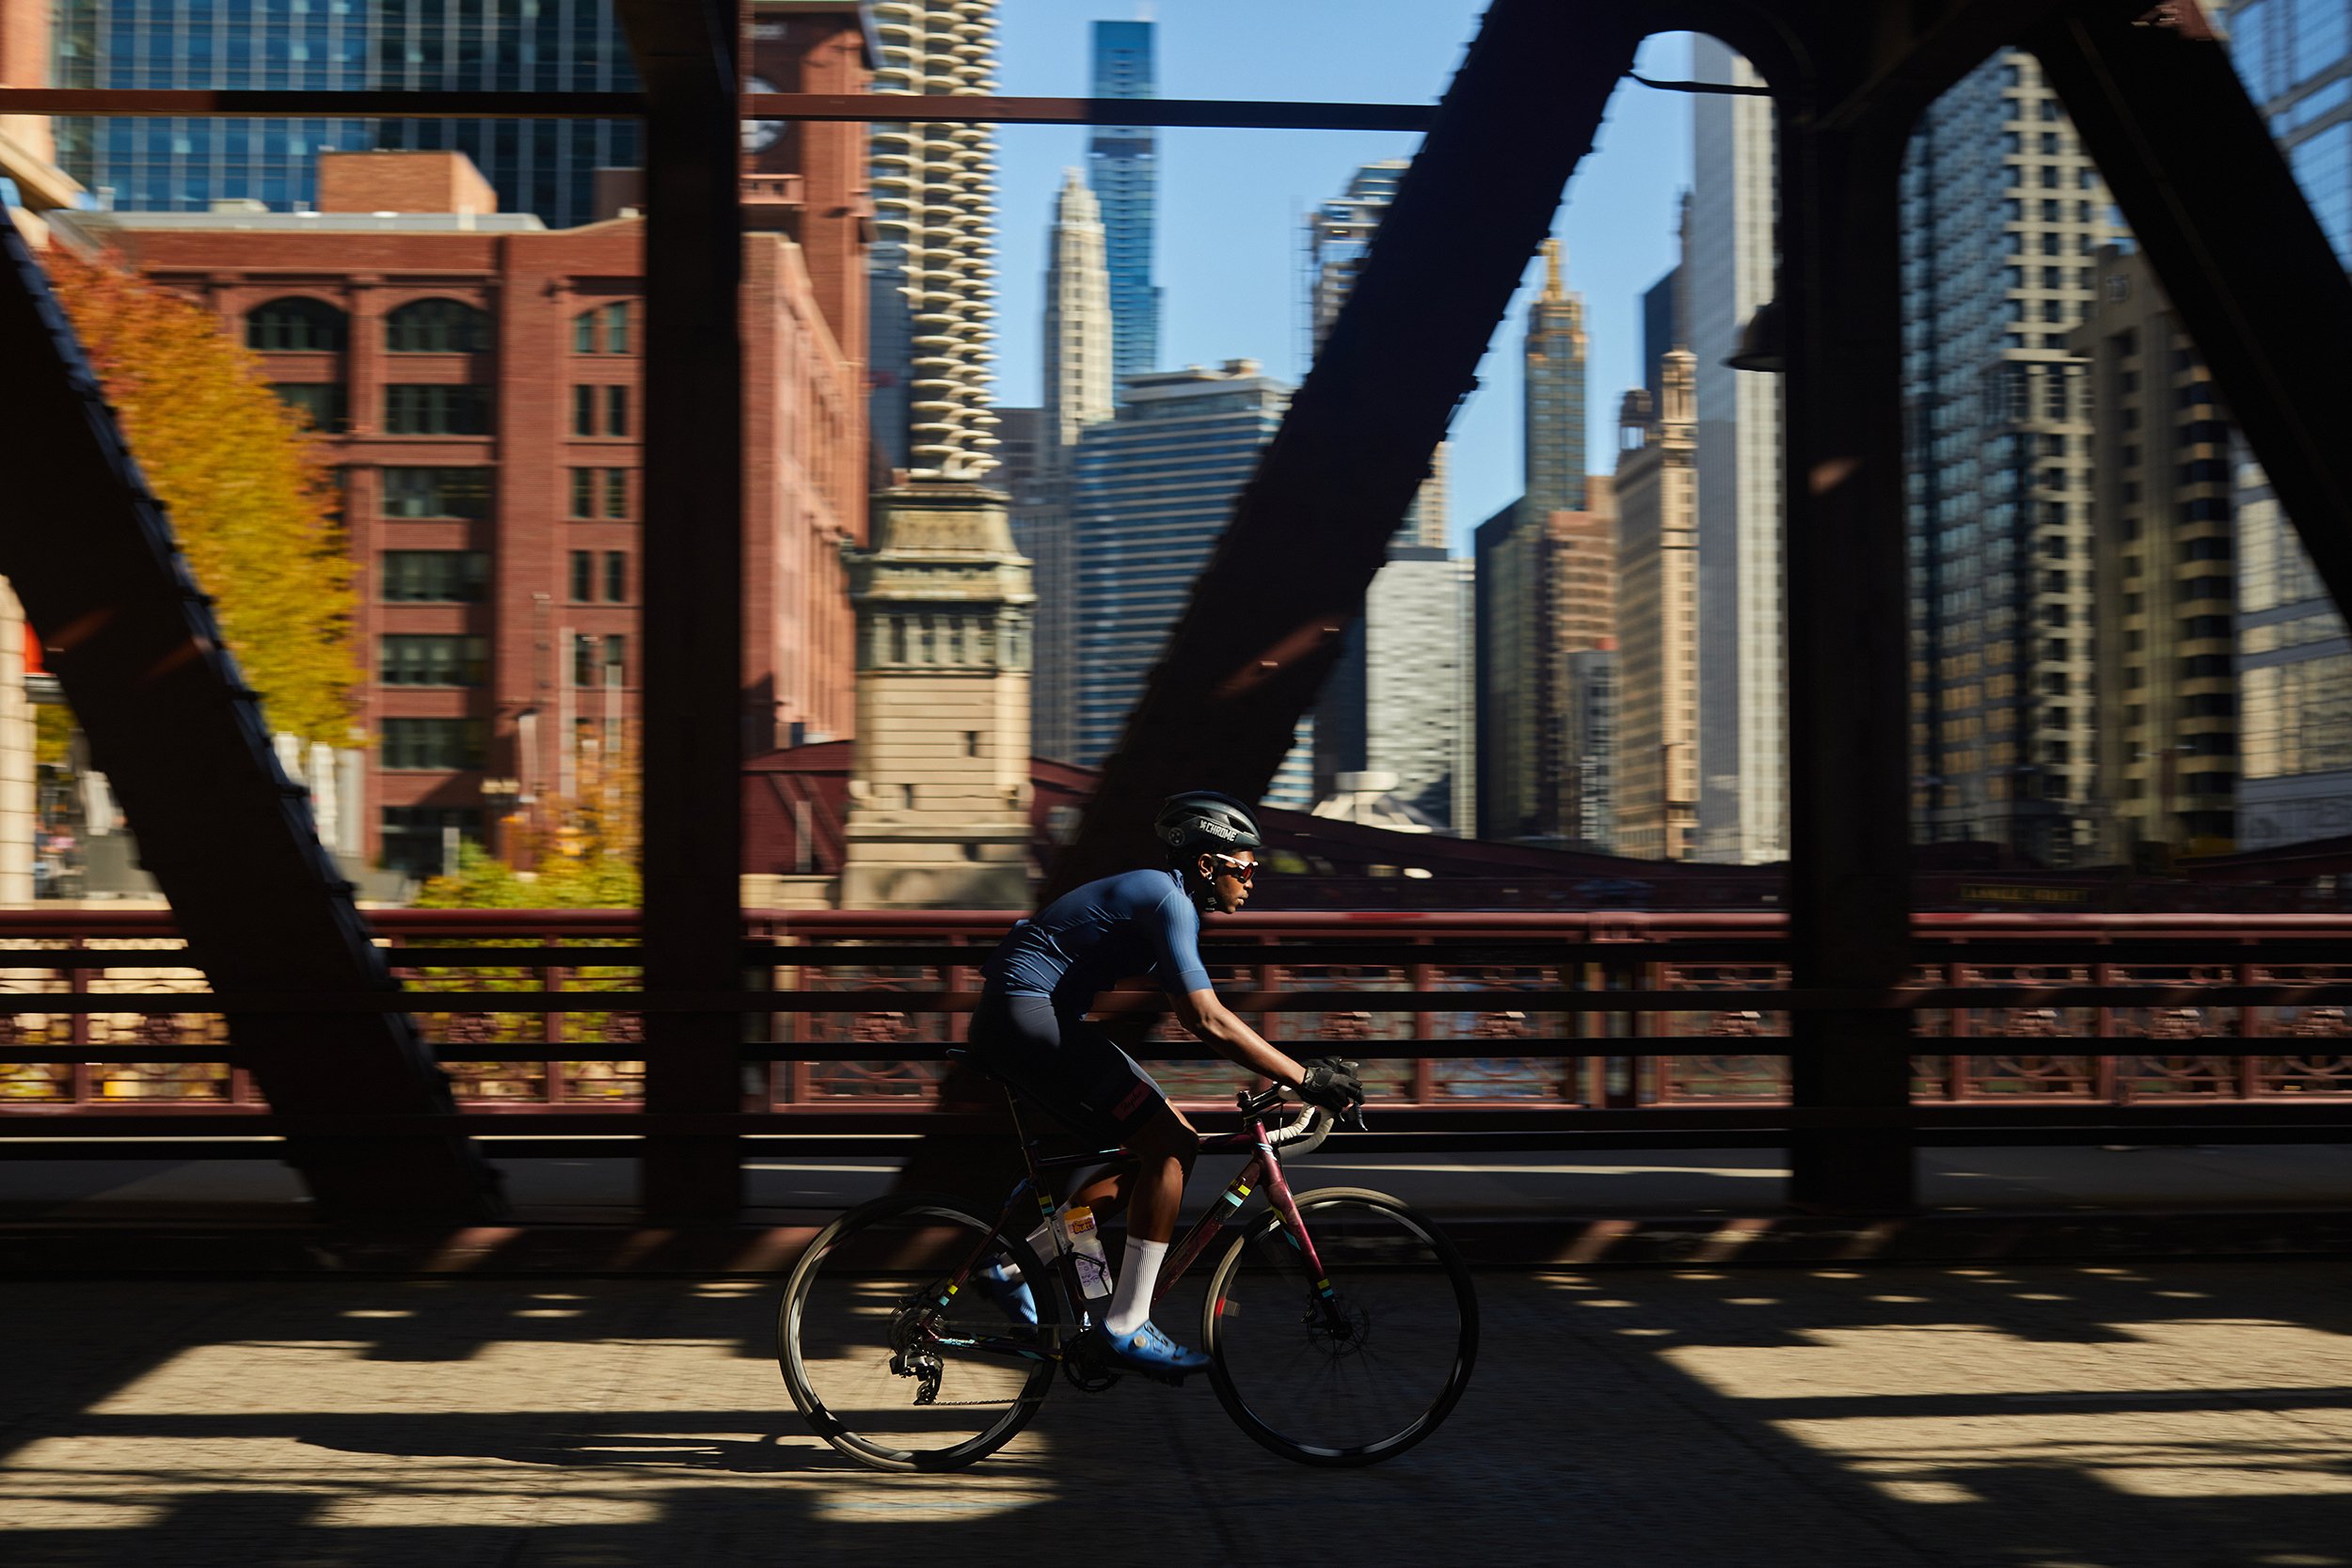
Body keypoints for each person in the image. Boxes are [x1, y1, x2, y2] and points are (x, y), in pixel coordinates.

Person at [964, 789, 1365, 1378]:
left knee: (1145, 1152)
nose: (1253, 881)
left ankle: (1017, 1271)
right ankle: (1126, 1324)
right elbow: (1204, 1018)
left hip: (1025, 1020)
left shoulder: (1167, 900)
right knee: (1173, 1145)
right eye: (1246, 866)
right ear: (1208, 864)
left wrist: (1287, 1074)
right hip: (1028, 1018)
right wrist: (1304, 1078)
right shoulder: (1167, 900)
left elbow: (1208, 1019)